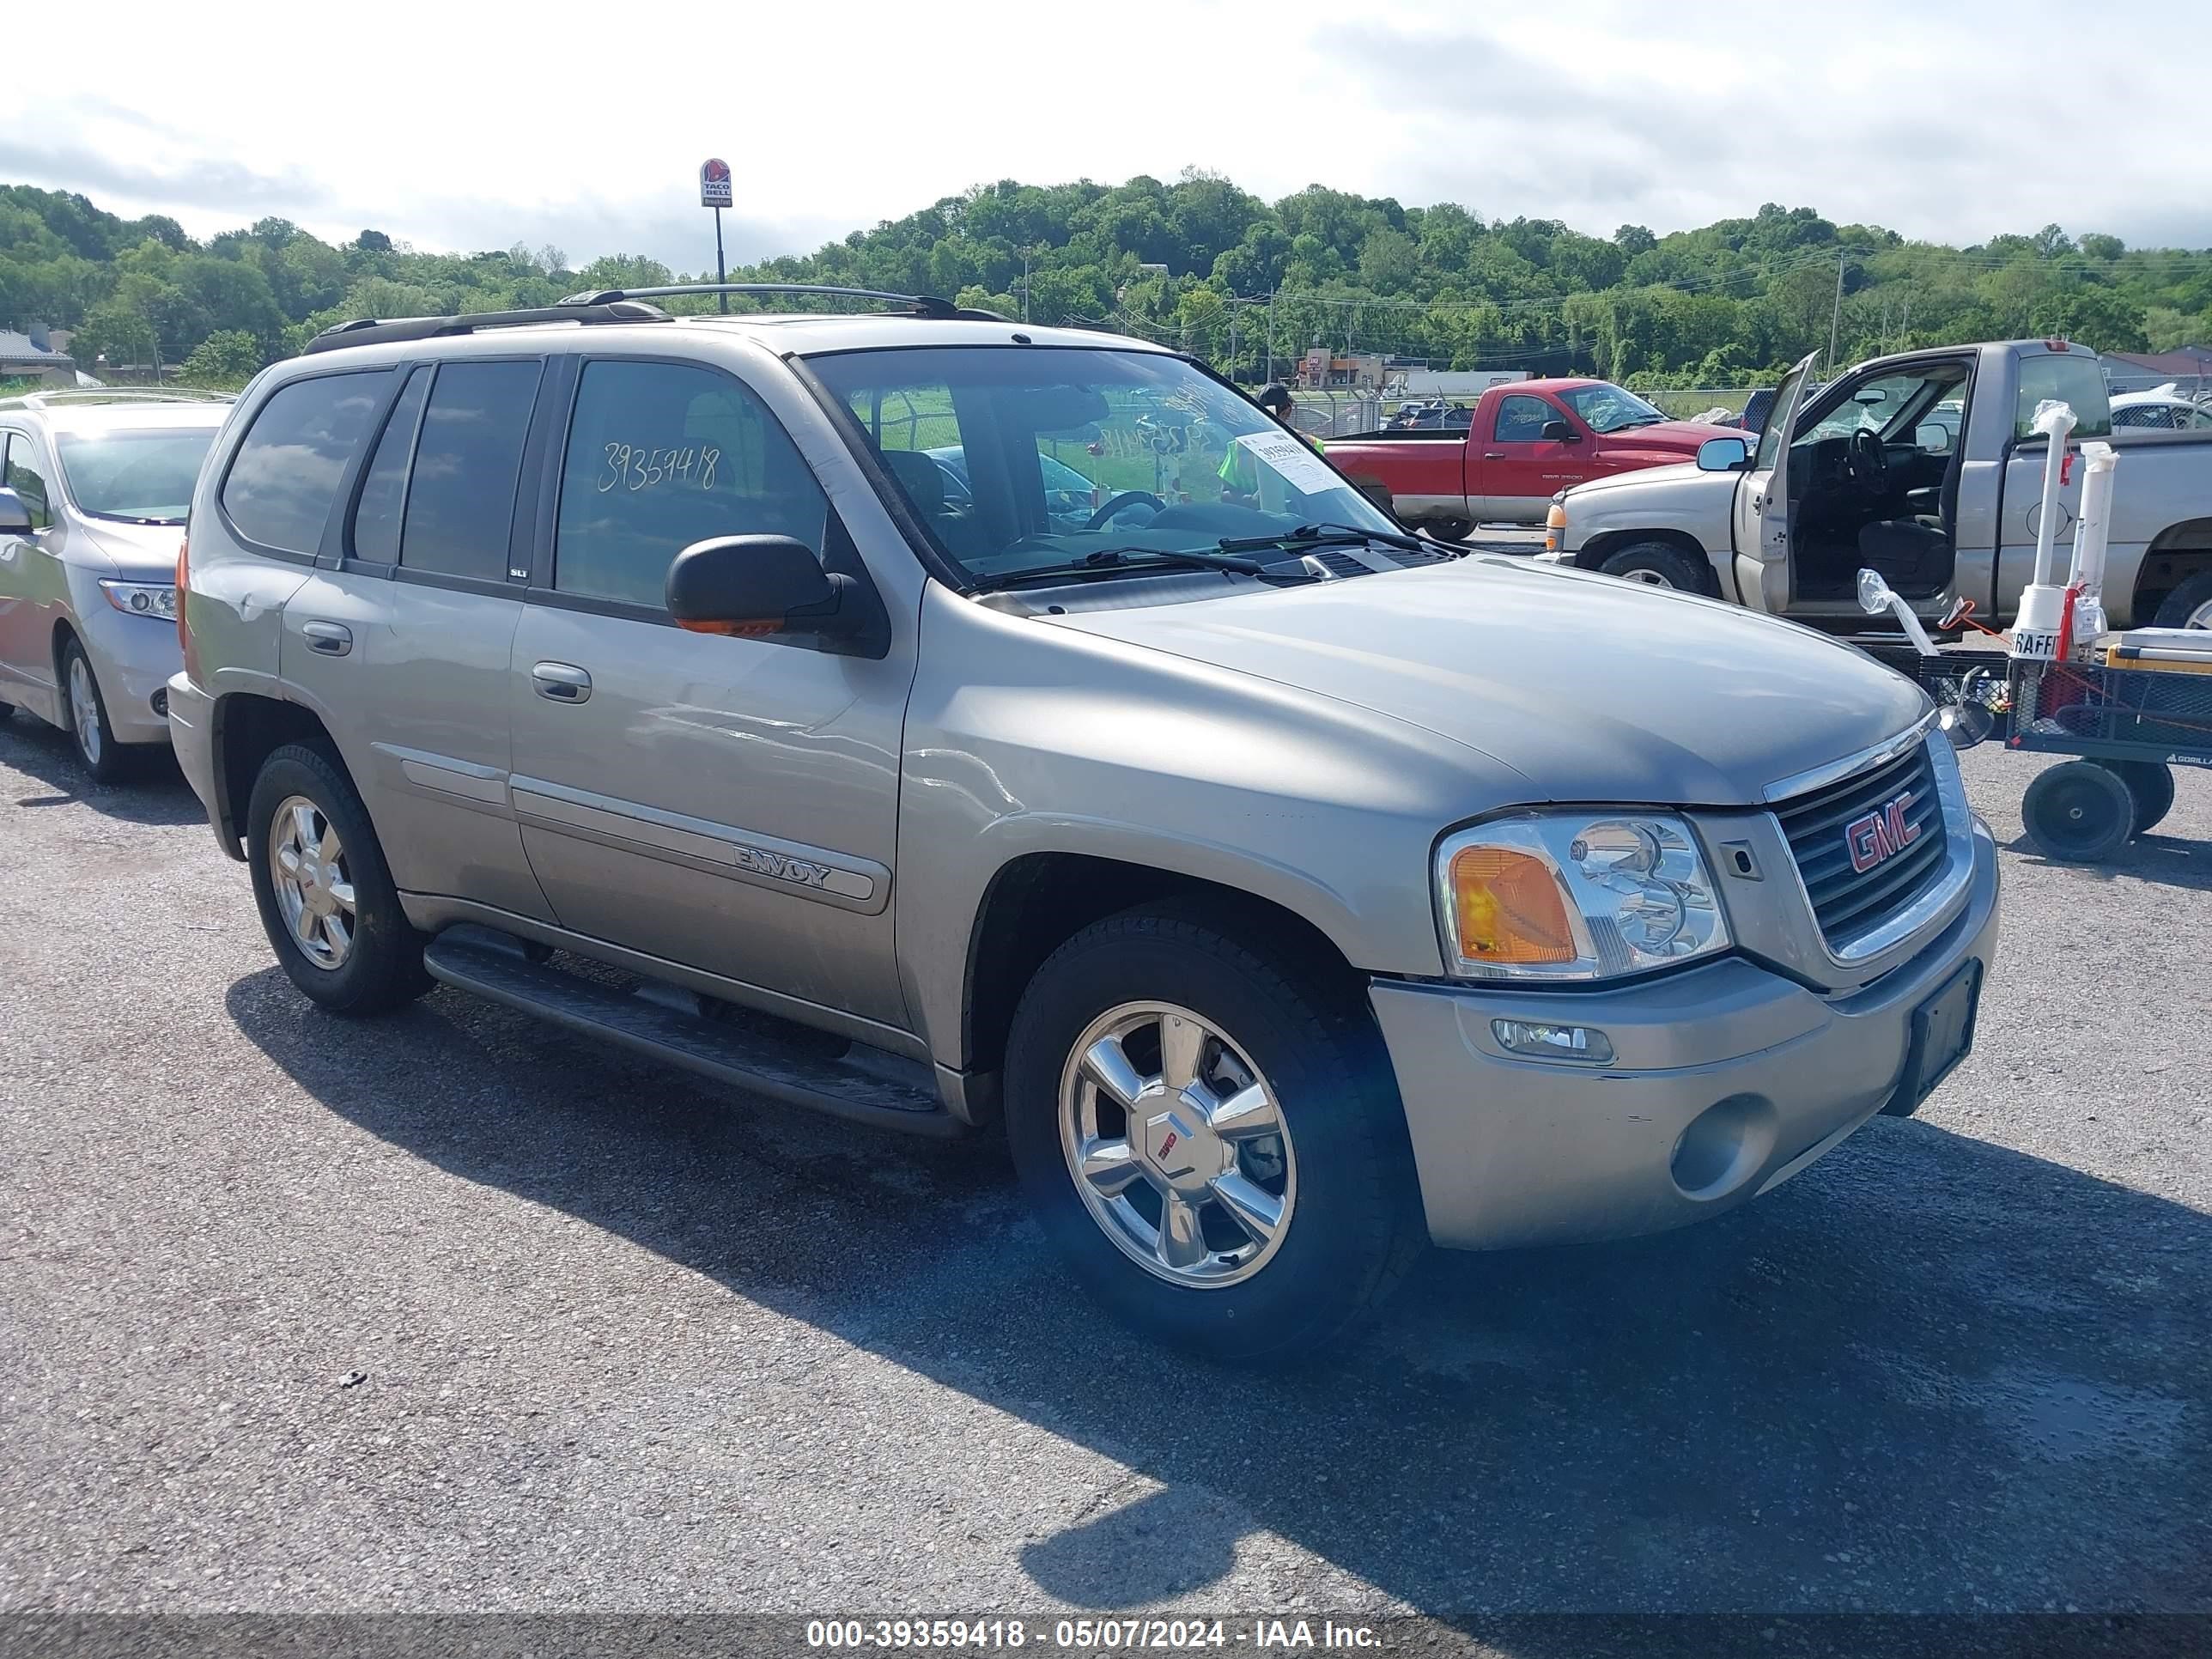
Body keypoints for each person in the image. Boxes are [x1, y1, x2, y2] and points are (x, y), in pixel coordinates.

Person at [1219, 384, 1323, 502]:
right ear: (1288, 411)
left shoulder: (1240, 447)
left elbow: (1225, 494)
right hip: (1295, 519)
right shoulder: (1312, 444)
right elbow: (1324, 494)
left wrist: (1250, 500)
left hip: (1261, 517)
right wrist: (1254, 500)